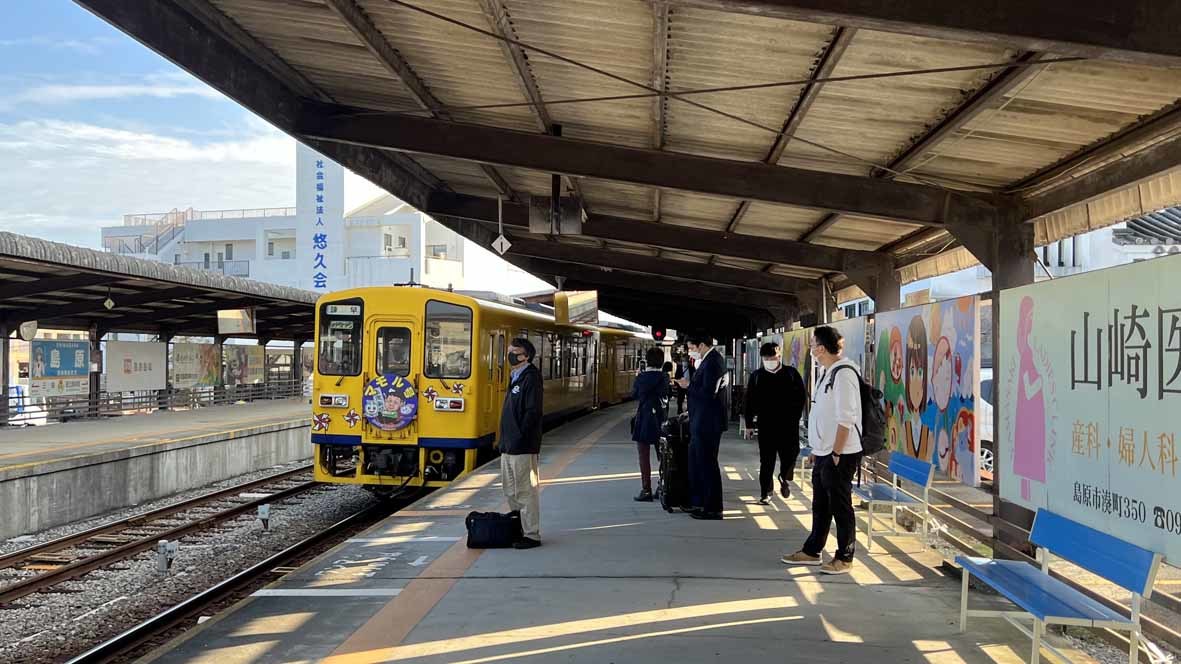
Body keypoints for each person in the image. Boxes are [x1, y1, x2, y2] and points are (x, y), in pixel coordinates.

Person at [783, 326, 863, 574]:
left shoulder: (844, 374)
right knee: (821, 504)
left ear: (822, 347)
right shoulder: (828, 372)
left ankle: (845, 557)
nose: (811, 348)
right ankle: (812, 550)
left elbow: (846, 419)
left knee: (840, 505)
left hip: (841, 453)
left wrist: (836, 453)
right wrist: (818, 448)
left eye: (814, 343)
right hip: (825, 451)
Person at [743, 342, 806, 504]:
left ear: (779, 357)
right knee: (767, 461)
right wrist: (749, 424)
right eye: (766, 358)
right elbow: (748, 401)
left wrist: (796, 417)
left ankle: (784, 476)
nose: (769, 360)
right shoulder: (757, 376)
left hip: (788, 425)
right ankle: (766, 492)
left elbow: (801, 398)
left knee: (791, 454)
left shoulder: (791, 374)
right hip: (766, 425)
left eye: (772, 357)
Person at [499, 338, 544, 549]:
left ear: (525, 356)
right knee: (511, 490)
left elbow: (532, 412)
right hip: (509, 446)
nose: (510, 355)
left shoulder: (531, 378)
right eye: (509, 351)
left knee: (525, 490)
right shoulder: (515, 377)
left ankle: (531, 534)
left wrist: (520, 437)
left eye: (514, 352)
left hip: (522, 446)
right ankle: (518, 529)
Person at [676, 334, 726, 520]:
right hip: (702, 420)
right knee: (698, 462)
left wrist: (688, 385)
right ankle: (700, 502)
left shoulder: (713, 362)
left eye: (691, 347)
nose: (691, 352)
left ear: (702, 345)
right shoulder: (709, 360)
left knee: (708, 464)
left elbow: (707, 393)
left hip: (708, 422)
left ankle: (713, 508)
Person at [632, 347, 669, 501]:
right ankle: (663, 487)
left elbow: (634, 395)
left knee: (643, 456)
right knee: (663, 455)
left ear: (647, 361)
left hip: (644, 419)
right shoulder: (664, 377)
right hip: (660, 419)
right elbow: (666, 394)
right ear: (661, 362)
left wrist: (638, 378)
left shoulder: (641, 377)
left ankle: (646, 489)